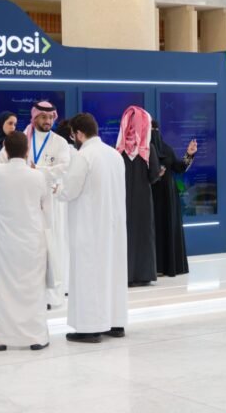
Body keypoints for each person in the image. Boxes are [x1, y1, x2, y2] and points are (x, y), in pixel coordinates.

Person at [0, 100, 71, 308]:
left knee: (51, 248)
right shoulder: (22, 137)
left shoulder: (59, 142)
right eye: (43, 117)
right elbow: (1, 160)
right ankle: (29, 295)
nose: (48, 121)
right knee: (28, 253)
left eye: (50, 117)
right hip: (26, 204)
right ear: (34, 118)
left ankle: (51, 296)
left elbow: (64, 168)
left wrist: (38, 170)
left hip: (50, 204)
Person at [57, 113, 128, 343]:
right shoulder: (114, 155)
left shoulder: (84, 156)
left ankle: (90, 328)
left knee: (88, 274)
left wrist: (56, 189)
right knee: (113, 273)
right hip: (114, 226)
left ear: (78, 134)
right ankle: (115, 323)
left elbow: (70, 190)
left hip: (89, 227)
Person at [0, 132, 52, 351]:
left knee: (2, 288)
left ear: (5, 149)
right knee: (33, 289)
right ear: (27, 150)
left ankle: (0, 338)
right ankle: (35, 338)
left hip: (4, 241)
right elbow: (44, 204)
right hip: (31, 241)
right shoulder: (37, 177)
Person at [116, 106, 161, 286]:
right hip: (143, 201)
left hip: (122, 200)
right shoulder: (147, 149)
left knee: (124, 234)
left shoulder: (118, 150)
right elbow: (154, 175)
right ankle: (143, 274)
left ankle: (123, 274)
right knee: (143, 235)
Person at [150, 121, 198, 277]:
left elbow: (179, 167)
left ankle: (165, 266)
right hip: (153, 197)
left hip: (166, 197)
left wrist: (189, 154)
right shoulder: (143, 151)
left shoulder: (166, 149)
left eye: (155, 130)